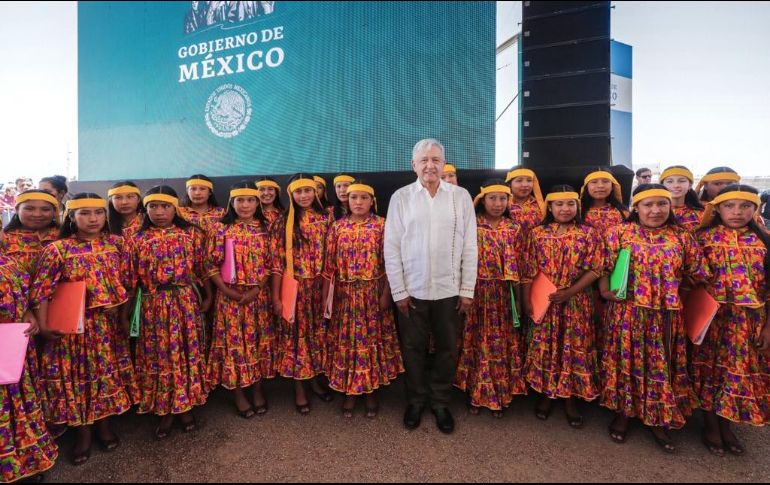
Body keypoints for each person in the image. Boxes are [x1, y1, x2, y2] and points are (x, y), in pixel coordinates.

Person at [600, 184, 710, 453]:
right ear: (636, 207)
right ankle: (624, 413)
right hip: (627, 312)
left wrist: (675, 292)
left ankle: (657, 417)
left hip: (666, 315)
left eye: (662, 204)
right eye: (648, 204)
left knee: (660, 364)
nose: (656, 210)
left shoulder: (682, 237)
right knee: (626, 361)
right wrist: (604, 290)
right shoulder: (618, 234)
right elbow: (602, 265)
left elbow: (697, 273)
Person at [32, 194, 137, 466]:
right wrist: (43, 326)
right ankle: (83, 434)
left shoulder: (117, 244)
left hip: (108, 328)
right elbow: (42, 292)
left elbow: (128, 283)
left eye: (98, 213)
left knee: (105, 377)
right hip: (73, 330)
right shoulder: (57, 249)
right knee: (79, 381)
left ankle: (104, 426)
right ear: (71, 217)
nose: (93, 219)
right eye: (85, 213)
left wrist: (124, 317)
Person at [384, 139, 477, 434]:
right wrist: (398, 290)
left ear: (444, 163)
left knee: (448, 349)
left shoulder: (460, 197)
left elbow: (470, 247)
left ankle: (439, 402)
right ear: (413, 165)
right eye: (423, 160)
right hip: (412, 291)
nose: (430, 165)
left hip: (449, 290)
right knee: (412, 348)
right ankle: (415, 400)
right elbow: (392, 247)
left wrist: (466, 289)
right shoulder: (401, 197)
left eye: (436, 159)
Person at [128, 186, 211, 439]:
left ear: (176, 208)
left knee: (185, 352)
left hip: (185, 301)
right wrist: (128, 316)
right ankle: (165, 410)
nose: (160, 212)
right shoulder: (135, 238)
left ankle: (185, 406)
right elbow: (131, 280)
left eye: (165, 206)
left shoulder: (191, 234)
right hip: (153, 305)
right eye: (153, 206)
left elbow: (202, 267)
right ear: (146, 209)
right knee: (160, 355)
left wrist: (208, 296)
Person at [693, 185, 770, 456]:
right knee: (708, 372)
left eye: (745, 206)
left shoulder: (764, 241)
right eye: (730, 206)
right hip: (711, 319)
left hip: (748, 322)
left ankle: (727, 426)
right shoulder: (702, 239)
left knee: (735, 374)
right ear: (717, 209)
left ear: (755, 209)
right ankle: (711, 426)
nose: (737, 212)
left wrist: (768, 327)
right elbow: (691, 279)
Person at [523, 186, 603, 428]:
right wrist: (527, 300)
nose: (565, 209)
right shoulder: (536, 234)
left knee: (573, 348)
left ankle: (570, 399)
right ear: (549, 207)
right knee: (546, 347)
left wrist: (570, 291)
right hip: (545, 301)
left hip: (576, 301)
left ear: (578, 207)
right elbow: (527, 270)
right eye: (559, 204)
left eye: (570, 204)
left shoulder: (589, 234)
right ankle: (547, 395)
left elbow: (597, 268)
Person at [323, 180, 403, 418]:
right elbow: (329, 266)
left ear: (372, 201)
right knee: (349, 343)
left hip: (373, 294)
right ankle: (350, 391)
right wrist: (328, 300)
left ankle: (371, 391)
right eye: (353, 197)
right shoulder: (337, 227)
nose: (358, 202)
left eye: (363, 198)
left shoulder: (383, 226)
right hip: (346, 297)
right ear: (347, 200)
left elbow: (392, 263)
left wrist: (387, 294)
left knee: (370, 342)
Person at [454, 180, 525, 418]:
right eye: (492, 198)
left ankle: (500, 393)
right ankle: (476, 392)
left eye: (502, 199)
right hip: (474, 292)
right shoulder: (470, 226)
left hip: (503, 296)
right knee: (475, 341)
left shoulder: (514, 229)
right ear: (482, 200)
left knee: (499, 344)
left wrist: (521, 301)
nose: (497, 204)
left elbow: (523, 267)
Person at [206, 182, 274, 418]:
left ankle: (257, 389)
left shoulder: (266, 228)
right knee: (234, 347)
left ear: (258, 203)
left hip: (258, 297)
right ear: (232, 203)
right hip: (230, 299)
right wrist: (227, 292)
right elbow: (210, 265)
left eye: (251, 200)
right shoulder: (220, 229)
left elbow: (271, 264)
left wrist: (257, 288)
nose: (246, 205)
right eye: (240, 201)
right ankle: (238, 394)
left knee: (256, 343)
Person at [270, 174, 335, 414]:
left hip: (320, 288)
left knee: (317, 336)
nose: (304, 196)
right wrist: (276, 297)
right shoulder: (283, 222)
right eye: (299, 192)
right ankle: (300, 390)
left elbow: (332, 256)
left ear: (315, 192)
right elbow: (276, 264)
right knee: (298, 339)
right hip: (295, 289)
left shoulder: (326, 218)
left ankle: (316, 380)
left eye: (308, 190)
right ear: (291, 195)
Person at [0, 252, 58, 482]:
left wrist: (26, 313)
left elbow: (20, 296)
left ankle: (21, 459)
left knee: (16, 402)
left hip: (13, 345)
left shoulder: (9, 262)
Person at [580, 168, 629, 233]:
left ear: (612, 186)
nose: (600, 186)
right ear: (586, 187)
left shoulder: (623, 213)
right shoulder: (578, 212)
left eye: (605, 181)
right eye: (594, 182)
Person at [660, 166, 704, 232]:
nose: (676, 185)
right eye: (670, 181)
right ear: (662, 185)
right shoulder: (654, 213)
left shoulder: (702, 214)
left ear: (690, 185)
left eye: (681, 181)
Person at [505, 166, 544, 234]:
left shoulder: (541, 206)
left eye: (529, 180)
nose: (525, 185)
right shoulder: (502, 205)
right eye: (519, 180)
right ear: (509, 184)